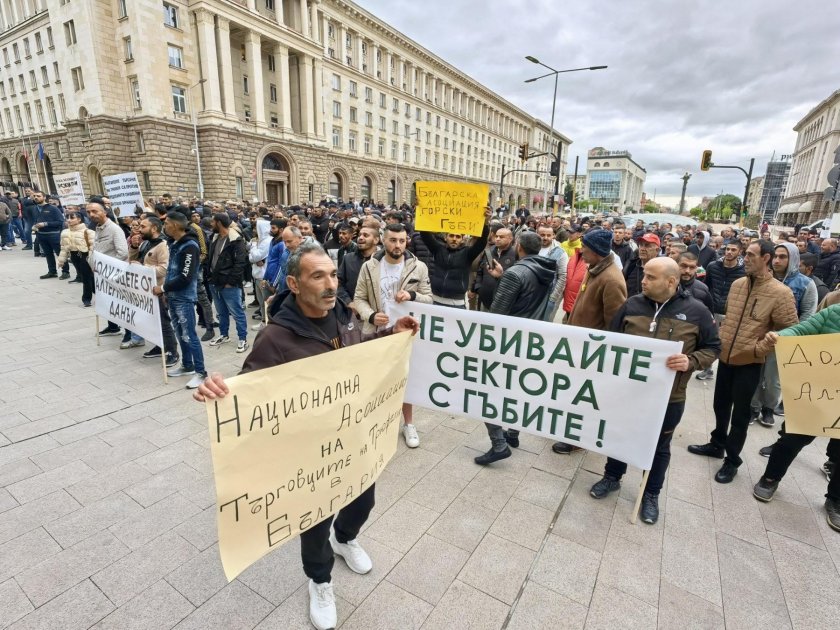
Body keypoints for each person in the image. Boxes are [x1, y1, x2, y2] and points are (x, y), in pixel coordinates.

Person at [194, 242, 418, 630]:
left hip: (353, 439)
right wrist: (218, 391)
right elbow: (249, 393)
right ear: (295, 284)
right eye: (319, 276)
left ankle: (346, 539)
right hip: (309, 457)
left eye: (332, 274)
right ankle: (320, 580)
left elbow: (359, 353)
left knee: (363, 500)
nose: (331, 284)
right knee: (315, 523)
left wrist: (389, 336)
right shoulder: (275, 338)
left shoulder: (345, 316)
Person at [589, 258, 720, 523]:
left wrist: (691, 361)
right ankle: (612, 476)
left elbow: (714, 347)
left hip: (669, 397)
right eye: (645, 275)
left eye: (650, 277)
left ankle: (650, 493)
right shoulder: (632, 305)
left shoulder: (697, 311)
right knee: (619, 435)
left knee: (660, 446)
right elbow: (612, 340)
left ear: (671, 282)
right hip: (628, 393)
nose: (643, 281)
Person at [687, 241, 798, 483]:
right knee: (720, 405)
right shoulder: (738, 284)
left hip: (751, 363)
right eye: (745, 254)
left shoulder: (781, 293)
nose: (744, 258)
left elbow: (790, 330)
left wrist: (761, 348)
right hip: (726, 358)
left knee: (740, 416)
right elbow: (730, 317)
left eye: (750, 255)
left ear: (765, 258)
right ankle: (717, 444)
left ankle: (732, 459)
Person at [752, 294, 840, 532]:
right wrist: (779, 336)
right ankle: (770, 478)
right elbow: (801, 331)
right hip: (817, 393)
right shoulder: (833, 313)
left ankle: (836, 500)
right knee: (791, 439)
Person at [476, 231, 557, 463]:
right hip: (530, 340)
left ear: (519, 246)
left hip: (508, 342)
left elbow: (497, 314)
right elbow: (527, 299)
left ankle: (499, 444)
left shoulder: (516, 273)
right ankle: (512, 434)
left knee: (488, 392)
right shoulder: (546, 269)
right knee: (518, 391)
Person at [353, 223, 432, 448]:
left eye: (401, 240)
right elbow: (359, 298)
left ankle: (408, 424)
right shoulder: (369, 267)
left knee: (405, 380)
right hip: (377, 334)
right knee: (375, 380)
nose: (397, 245)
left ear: (407, 241)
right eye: (393, 240)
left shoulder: (418, 267)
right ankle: (375, 424)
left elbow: (429, 298)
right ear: (383, 241)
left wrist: (412, 294)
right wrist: (370, 316)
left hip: (405, 334)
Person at [553, 229, 628, 455]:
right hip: (578, 345)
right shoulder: (594, 268)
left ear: (596, 251)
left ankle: (577, 438)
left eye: (585, 248)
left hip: (592, 351)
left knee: (584, 397)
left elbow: (614, 324)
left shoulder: (612, 280)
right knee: (574, 392)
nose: (581, 251)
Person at [749, 243, 817, 428]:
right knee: (754, 374)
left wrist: (789, 336)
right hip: (757, 336)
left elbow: (808, 315)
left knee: (772, 379)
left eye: (783, 257)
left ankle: (768, 409)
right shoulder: (762, 278)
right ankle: (753, 408)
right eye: (775, 256)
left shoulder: (806, 284)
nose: (777, 260)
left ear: (793, 258)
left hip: (783, 340)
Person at [154, 212, 207, 389]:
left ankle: (201, 373)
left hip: (184, 298)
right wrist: (167, 293)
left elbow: (185, 276)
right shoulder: (175, 243)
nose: (165, 226)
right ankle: (187, 365)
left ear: (176, 226)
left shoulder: (190, 246)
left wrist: (162, 288)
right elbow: (172, 271)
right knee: (180, 332)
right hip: (174, 297)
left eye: (167, 223)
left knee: (190, 334)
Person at [126, 216, 180, 365]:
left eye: (143, 226)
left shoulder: (163, 245)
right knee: (152, 321)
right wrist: (135, 247)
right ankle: (159, 346)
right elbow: (132, 260)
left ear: (154, 228)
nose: (139, 229)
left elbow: (164, 269)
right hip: (145, 290)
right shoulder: (145, 243)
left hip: (158, 290)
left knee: (163, 322)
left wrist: (143, 269)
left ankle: (172, 352)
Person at [419, 208, 491, 307]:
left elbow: (482, 241)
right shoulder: (438, 249)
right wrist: (420, 210)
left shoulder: (468, 253)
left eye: (458, 237)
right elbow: (425, 234)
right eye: (451, 236)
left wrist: (485, 223)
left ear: (462, 239)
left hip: (457, 303)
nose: (454, 239)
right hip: (435, 300)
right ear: (445, 237)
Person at [696, 241, 746, 380]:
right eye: (728, 249)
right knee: (709, 340)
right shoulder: (713, 266)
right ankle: (708, 369)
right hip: (712, 310)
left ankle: (726, 372)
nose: (729, 252)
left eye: (733, 250)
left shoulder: (744, 271)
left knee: (726, 343)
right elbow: (706, 286)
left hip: (731, 312)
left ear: (739, 252)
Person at [207, 213, 249, 353]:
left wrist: (231, 282)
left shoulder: (236, 240)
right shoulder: (214, 237)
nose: (210, 224)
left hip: (229, 285)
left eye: (213, 222)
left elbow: (240, 263)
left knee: (237, 313)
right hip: (214, 282)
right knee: (221, 312)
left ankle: (243, 339)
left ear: (218, 223)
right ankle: (224, 335)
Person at [89, 201, 130, 336]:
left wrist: (109, 268)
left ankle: (129, 334)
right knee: (107, 302)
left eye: (95, 211)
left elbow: (123, 252)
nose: (91, 214)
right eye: (89, 212)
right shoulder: (98, 227)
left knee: (119, 304)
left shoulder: (114, 229)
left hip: (113, 275)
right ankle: (112, 327)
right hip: (100, 274)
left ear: (104, 212)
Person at [337, 222, 380, 315]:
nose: (360, 238)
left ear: (376, 240)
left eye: (365, 235)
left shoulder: (383, 260)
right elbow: (338, 284)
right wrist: (349, 302)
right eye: (360, 235)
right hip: (353, 314)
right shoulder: (347, 259)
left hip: (378, 314)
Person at [471, 227, 516, 311]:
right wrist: (478, 288)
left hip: (503, 303)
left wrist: (501, 275)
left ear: (510, 239)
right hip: (484, 300)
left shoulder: (515, 255)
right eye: (496, 236)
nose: (498, 239)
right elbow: (480, 271)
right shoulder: (489, 251)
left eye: (501, 237)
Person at [56, 211, 96, 307]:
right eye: (67, 218)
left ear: (79, 219)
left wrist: (91, 260)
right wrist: (61, 260)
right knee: (87, 277)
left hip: (85, 256)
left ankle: (86, 299)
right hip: (74, 256)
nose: (69, 220)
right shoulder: (65, 232)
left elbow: (93, 247)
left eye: (72, 218)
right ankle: (100, 293)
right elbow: (64, 247)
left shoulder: (88, 232)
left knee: (86, 278)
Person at [32, 191, 67, 279]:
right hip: (41, 235)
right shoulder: (34, 208)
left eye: (38, 196)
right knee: (48, 254)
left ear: (44, 197)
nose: (36, 197)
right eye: (35, 196)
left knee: (60, 254)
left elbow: (60, 222)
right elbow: (36, 220)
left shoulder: (53, 208)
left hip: (53, 235)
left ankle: (65, 272)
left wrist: (45, 224)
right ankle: (52, 272)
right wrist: (34, 226)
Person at [536, 224, 568, 321]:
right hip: (532, 294)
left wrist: (553, 298)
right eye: (542, 235)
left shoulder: (560, 253)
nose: (545, 238)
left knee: (545, 323)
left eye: (548, 235)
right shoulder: (531, 248)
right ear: (537, 234)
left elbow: (563, 277)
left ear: (553, 235)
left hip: (549, 296)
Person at [248, 217, 272, 331]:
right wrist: (253, 252)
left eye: (256, 228)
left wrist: (252, 247)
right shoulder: (258, 240)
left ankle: (267, 323)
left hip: (264, 276)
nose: (253, 230)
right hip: (257, 275)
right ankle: (263, 320)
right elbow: (251, 258)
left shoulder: (267, 241)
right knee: (261, 302)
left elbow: (257, 256)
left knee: (266, 302)